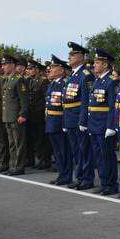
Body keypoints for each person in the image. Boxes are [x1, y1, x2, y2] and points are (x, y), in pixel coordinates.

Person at [88, 49, 120, 195]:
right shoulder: (97, 80)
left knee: (107, 156)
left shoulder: (111, 82)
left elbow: (113, 105)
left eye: (97, 62)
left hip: (104, 125)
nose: (94, 65)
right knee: (99, 157)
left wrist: (111, 126)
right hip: (94, 124)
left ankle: (111, 184)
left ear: (105, 65)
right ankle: (104, 182)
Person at [64, 42, 94, 189]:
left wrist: (83, 120)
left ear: (81, 57)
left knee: (84, 150)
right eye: (69, 54)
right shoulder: (72, 75)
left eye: (73, 54)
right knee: (76, 150)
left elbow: (86, 99)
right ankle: (80, 177)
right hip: (70, 117)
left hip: (79, 117)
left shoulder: (85, 75)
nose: (69, 57)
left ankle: (87, 178)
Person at [45, 56, 73, 185]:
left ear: (61, 70)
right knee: (57, 151)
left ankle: (66, 176)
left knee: (64, 150)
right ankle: (61, 174)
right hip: (51, 121)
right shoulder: (53, 83)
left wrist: (64, 123)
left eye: (53, 67)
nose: (50, 70)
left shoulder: (64, 84)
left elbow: (65, 106)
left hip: (59, 121)